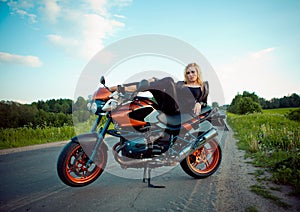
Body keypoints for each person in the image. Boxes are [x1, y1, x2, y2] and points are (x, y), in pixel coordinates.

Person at [110, 62, 208, 116]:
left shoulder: (203, 86)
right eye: (188, 73)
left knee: (168, 80)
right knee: (152, 84)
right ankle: (122, 88)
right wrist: (154, 80)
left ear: (197, 73)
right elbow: (169, 87)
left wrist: (199, 103)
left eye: (192, 72)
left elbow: (204, 101)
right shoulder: (181, 84)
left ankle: (123, 89)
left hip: (178, 110)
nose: (190, 75)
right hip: (168, 105)